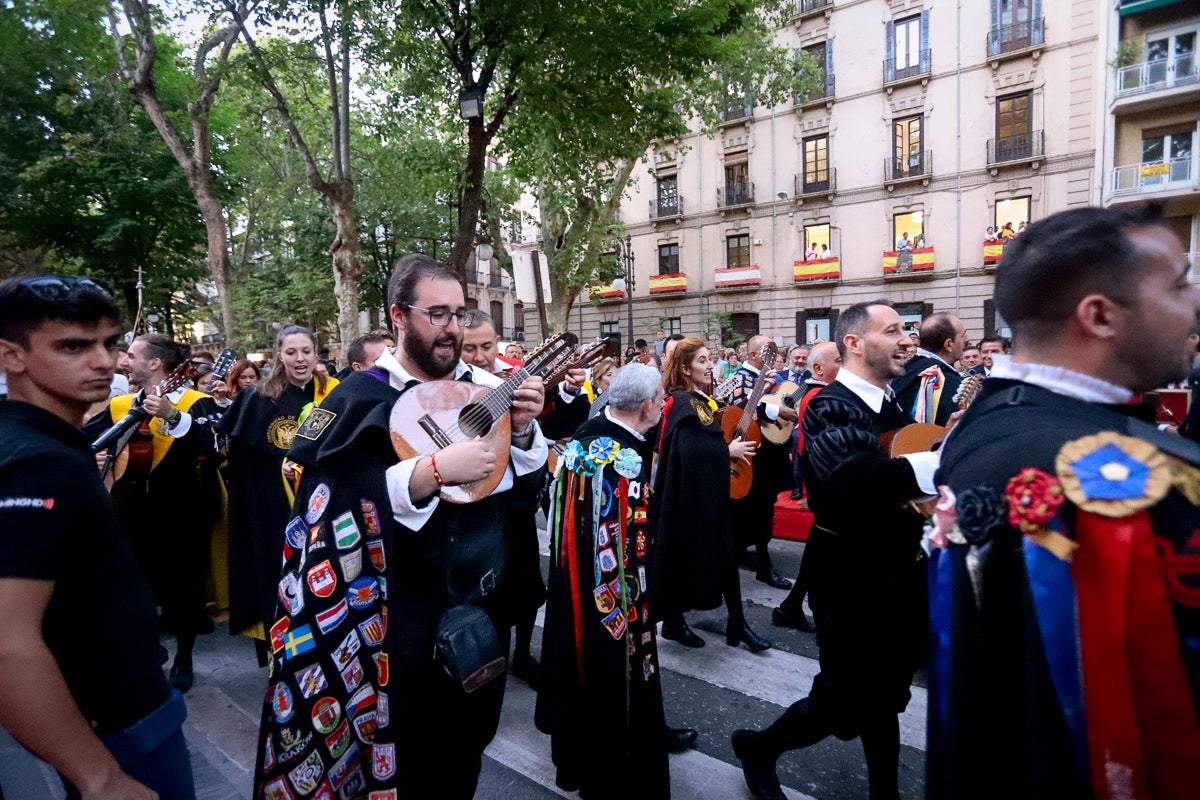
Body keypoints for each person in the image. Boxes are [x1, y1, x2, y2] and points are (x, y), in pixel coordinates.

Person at [928, 206, 1200, 799]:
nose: (1195, 300)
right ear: (1099, 315)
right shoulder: (1147, 479)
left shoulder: (981, 423)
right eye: (1179, 282)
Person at [253, 254, 548, 798]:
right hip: (393, 629)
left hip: (479, 617)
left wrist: (524, 433)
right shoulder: (356, 397)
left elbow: (522, 490)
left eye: (459, 314)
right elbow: (327, 509)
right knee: (404, 764)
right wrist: (429, 473)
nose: (452, 328)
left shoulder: (487, 388)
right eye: (437, 313)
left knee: (464, 756)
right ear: (398, 316)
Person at [0, 275, 196, 798]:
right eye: (72, 346)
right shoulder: (40, 463)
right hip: (119, 730)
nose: (103, 361)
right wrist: (99, 776)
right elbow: (7, 639)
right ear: (11, 355)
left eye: (108, 343)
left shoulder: (40, 444)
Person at [732, 301, 937, 800]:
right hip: (850, 578)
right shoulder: (828, 404)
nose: (907, 339)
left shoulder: (888, 404)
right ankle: (759, 748)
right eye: (892, 331)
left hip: (896, 573)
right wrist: (944, 463)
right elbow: (851, 480)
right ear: (854, 342)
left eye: (906, 330)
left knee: (883, 697)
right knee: (842, 702)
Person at [536, 363, 674, 798]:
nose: (663, 406)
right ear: (648, 406)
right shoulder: (620, 461)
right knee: (612, 674)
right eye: (661, 399)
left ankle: (581, 755)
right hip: (610, 594)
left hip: (577, 585)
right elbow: (627, 542)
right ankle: (613, 761)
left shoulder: (589, 435)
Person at [85, 333, 221, 693]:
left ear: (155, 364)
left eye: (132, 355)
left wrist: (174, 417)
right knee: (136, 587)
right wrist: (96, 456)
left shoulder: (197, 402)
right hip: (131, 510)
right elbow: (85, 439)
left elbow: (216, 447)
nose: (124, 361)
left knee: (186, 588)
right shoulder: (122, 405)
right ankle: (150, 651)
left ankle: (185, 659)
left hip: (183, 512)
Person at [216, 325, 338, 654]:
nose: (300, 359)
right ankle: (282, 650)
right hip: (275, 507)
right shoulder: (258, 397)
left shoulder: (335, 394)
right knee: (280, 576)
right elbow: (242, 460)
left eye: (306, 351)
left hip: (327, 505)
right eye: (291, 352)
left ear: (316, 353)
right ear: (278, 356)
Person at [652, 337, 772, 652]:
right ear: (685, 368)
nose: (710, 366)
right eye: (703, 360)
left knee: (726, 554)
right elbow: (689, 452)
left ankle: (737, 624)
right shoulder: (682, 402)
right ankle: (677, 623)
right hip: (691, 499)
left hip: (705, 495)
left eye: (709, 360)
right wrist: (726, 450)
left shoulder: (695, 399)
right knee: (686, 555)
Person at [773, 341, 841, 633]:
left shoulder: (811, 387)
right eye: (839, 359)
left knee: (818, 544)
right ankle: (798, 604)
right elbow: (787, 405)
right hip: (818, 471)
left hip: (814, 469)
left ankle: (793, 602)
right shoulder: (816, 391)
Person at [729, 335, 799, 589]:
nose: (773, 353)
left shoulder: (771, 378)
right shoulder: (740, 377)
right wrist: (776, 411)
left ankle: (749, 551)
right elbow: (738, 406)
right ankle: (763, 564)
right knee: (755, 508)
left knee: (763, 506)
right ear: (753, 355)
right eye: (767, 350)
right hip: (753, 454)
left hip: (771, 451)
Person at [891, 312, 967, 426]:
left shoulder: (903, 371)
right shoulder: (946, 381)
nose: (966, 339)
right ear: (949, 344)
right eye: (963, 335)